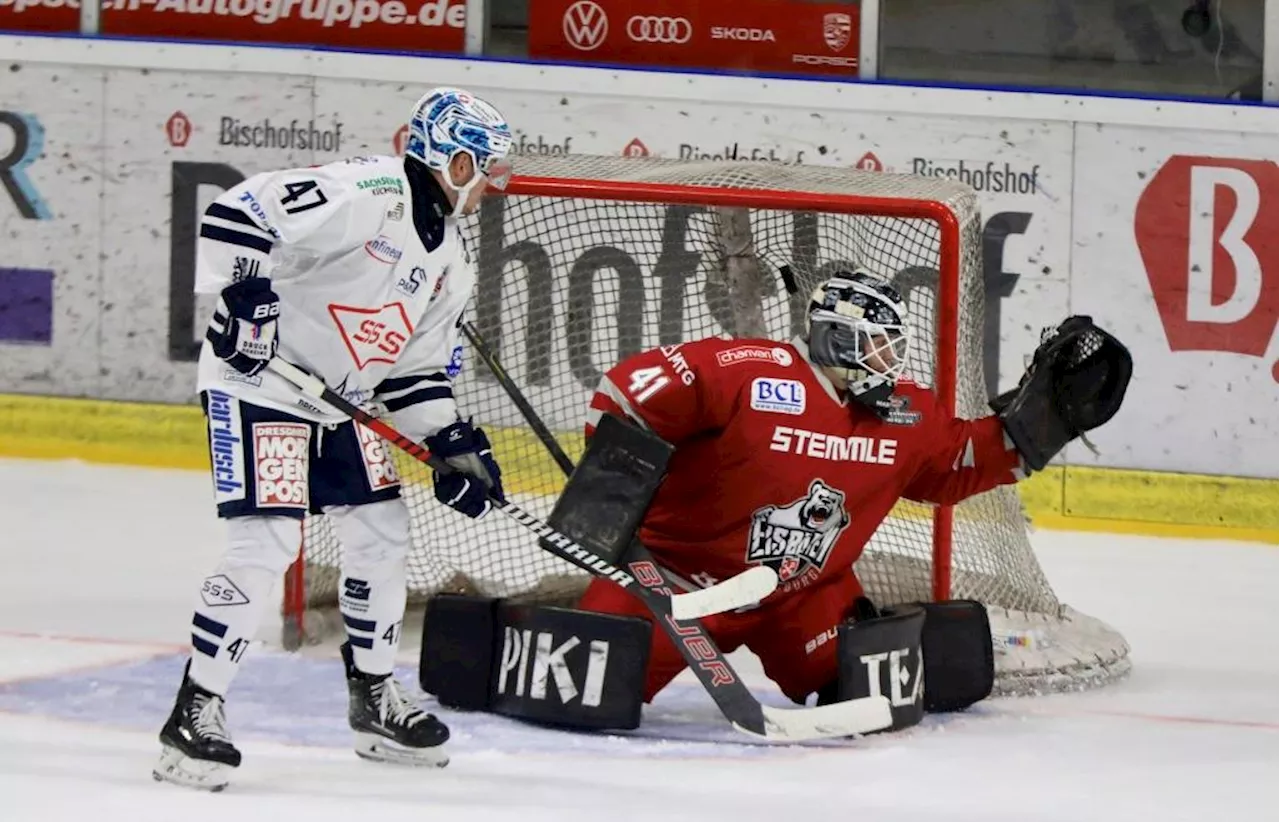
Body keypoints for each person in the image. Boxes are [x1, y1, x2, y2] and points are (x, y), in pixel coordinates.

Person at [154, 88, 513, 791]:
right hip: (258, 387)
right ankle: (194, 710)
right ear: (458, 160)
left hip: (337, 402)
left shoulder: (453, 263)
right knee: (268, 542)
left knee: (383, 527)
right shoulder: (366, 190)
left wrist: (451, 444)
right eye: (488, 167)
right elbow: (237, 212)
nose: (494, 185)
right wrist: (246, 297)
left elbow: (409, 375)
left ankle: (374, 700)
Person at [575, 270, 1120, 707]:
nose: (891, 360)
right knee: (582, 692)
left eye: (894, 346)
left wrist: (1044, 426)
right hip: (673, 580)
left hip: (800, 595)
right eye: (878, 345)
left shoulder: (905, 412)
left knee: (862, 695)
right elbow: (630, 390)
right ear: (835, 338)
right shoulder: (750, 371)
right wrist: (609, 493)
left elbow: (955, 464)